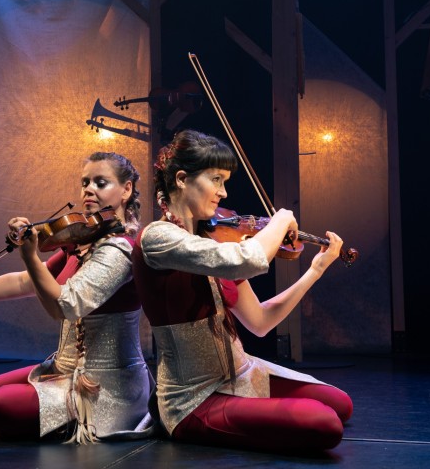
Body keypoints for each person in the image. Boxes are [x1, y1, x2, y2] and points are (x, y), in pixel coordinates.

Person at [131, 129, 353, 454]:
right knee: (324, 424)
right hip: (194, 397)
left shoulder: (214, 239)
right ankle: (182, 423)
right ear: (181, 179)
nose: (223, 192)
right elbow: (246, 261)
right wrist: (281, 220)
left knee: (340, 404)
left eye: (224, 182)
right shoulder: (158, 238)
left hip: (240, 372)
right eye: (216, 180)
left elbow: (260, 321)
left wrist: (315, 270)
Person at [0, 152, 152, 444]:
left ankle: (32, 409)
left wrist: (29, 255)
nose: (88, 190)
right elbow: (24, 281)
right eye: (85, 182)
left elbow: (64, 306)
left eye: (100, 183)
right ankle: (28, 404)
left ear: (126, 189)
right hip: (65, 368)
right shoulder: (81, 243)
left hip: (104, 385)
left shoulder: (119, 250)